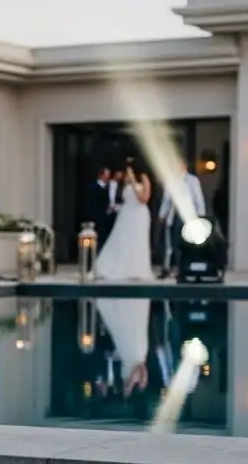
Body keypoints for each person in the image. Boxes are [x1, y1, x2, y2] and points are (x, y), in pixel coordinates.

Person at [94, 159, 155, 396]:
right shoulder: (138, 365)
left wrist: (130, 385)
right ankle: (117, 268)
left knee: (136, 246)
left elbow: (144, 198)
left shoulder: (144, 180)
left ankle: (136, 269)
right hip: (127, 216)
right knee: (120, 245)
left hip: (139, 215)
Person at [158, 158, 207, 279]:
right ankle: (170, 268)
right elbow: (167, 200)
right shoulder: (171, 181)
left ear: (184, 166)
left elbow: (198, 198)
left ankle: (184, 268)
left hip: (188, 216)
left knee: (187, 243)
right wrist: (162, 214)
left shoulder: (192, 180)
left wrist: (201, 215)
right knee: (173, 243)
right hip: (174, 215)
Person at [86, 165, 119, 245]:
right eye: (106, 174)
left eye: (109, 175)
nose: (108, 177)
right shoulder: (93, 188)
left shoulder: (109, 188)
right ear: (101, 175)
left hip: (108, 219)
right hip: (97, 219)